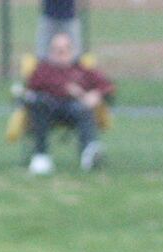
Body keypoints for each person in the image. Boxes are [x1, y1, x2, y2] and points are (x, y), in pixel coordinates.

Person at [23, 32, 113, 175]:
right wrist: (65, 87)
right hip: (49, 108)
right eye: (57, 50)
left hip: (74, 109)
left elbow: (107, 86)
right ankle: (41, 156)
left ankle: (89, 153)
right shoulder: (43, 69)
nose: (60, 54)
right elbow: (30, 88)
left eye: (64, 50)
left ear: (71, 51)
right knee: (39, 104)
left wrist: (95, 94)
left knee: (83, 108)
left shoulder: (81, 69)